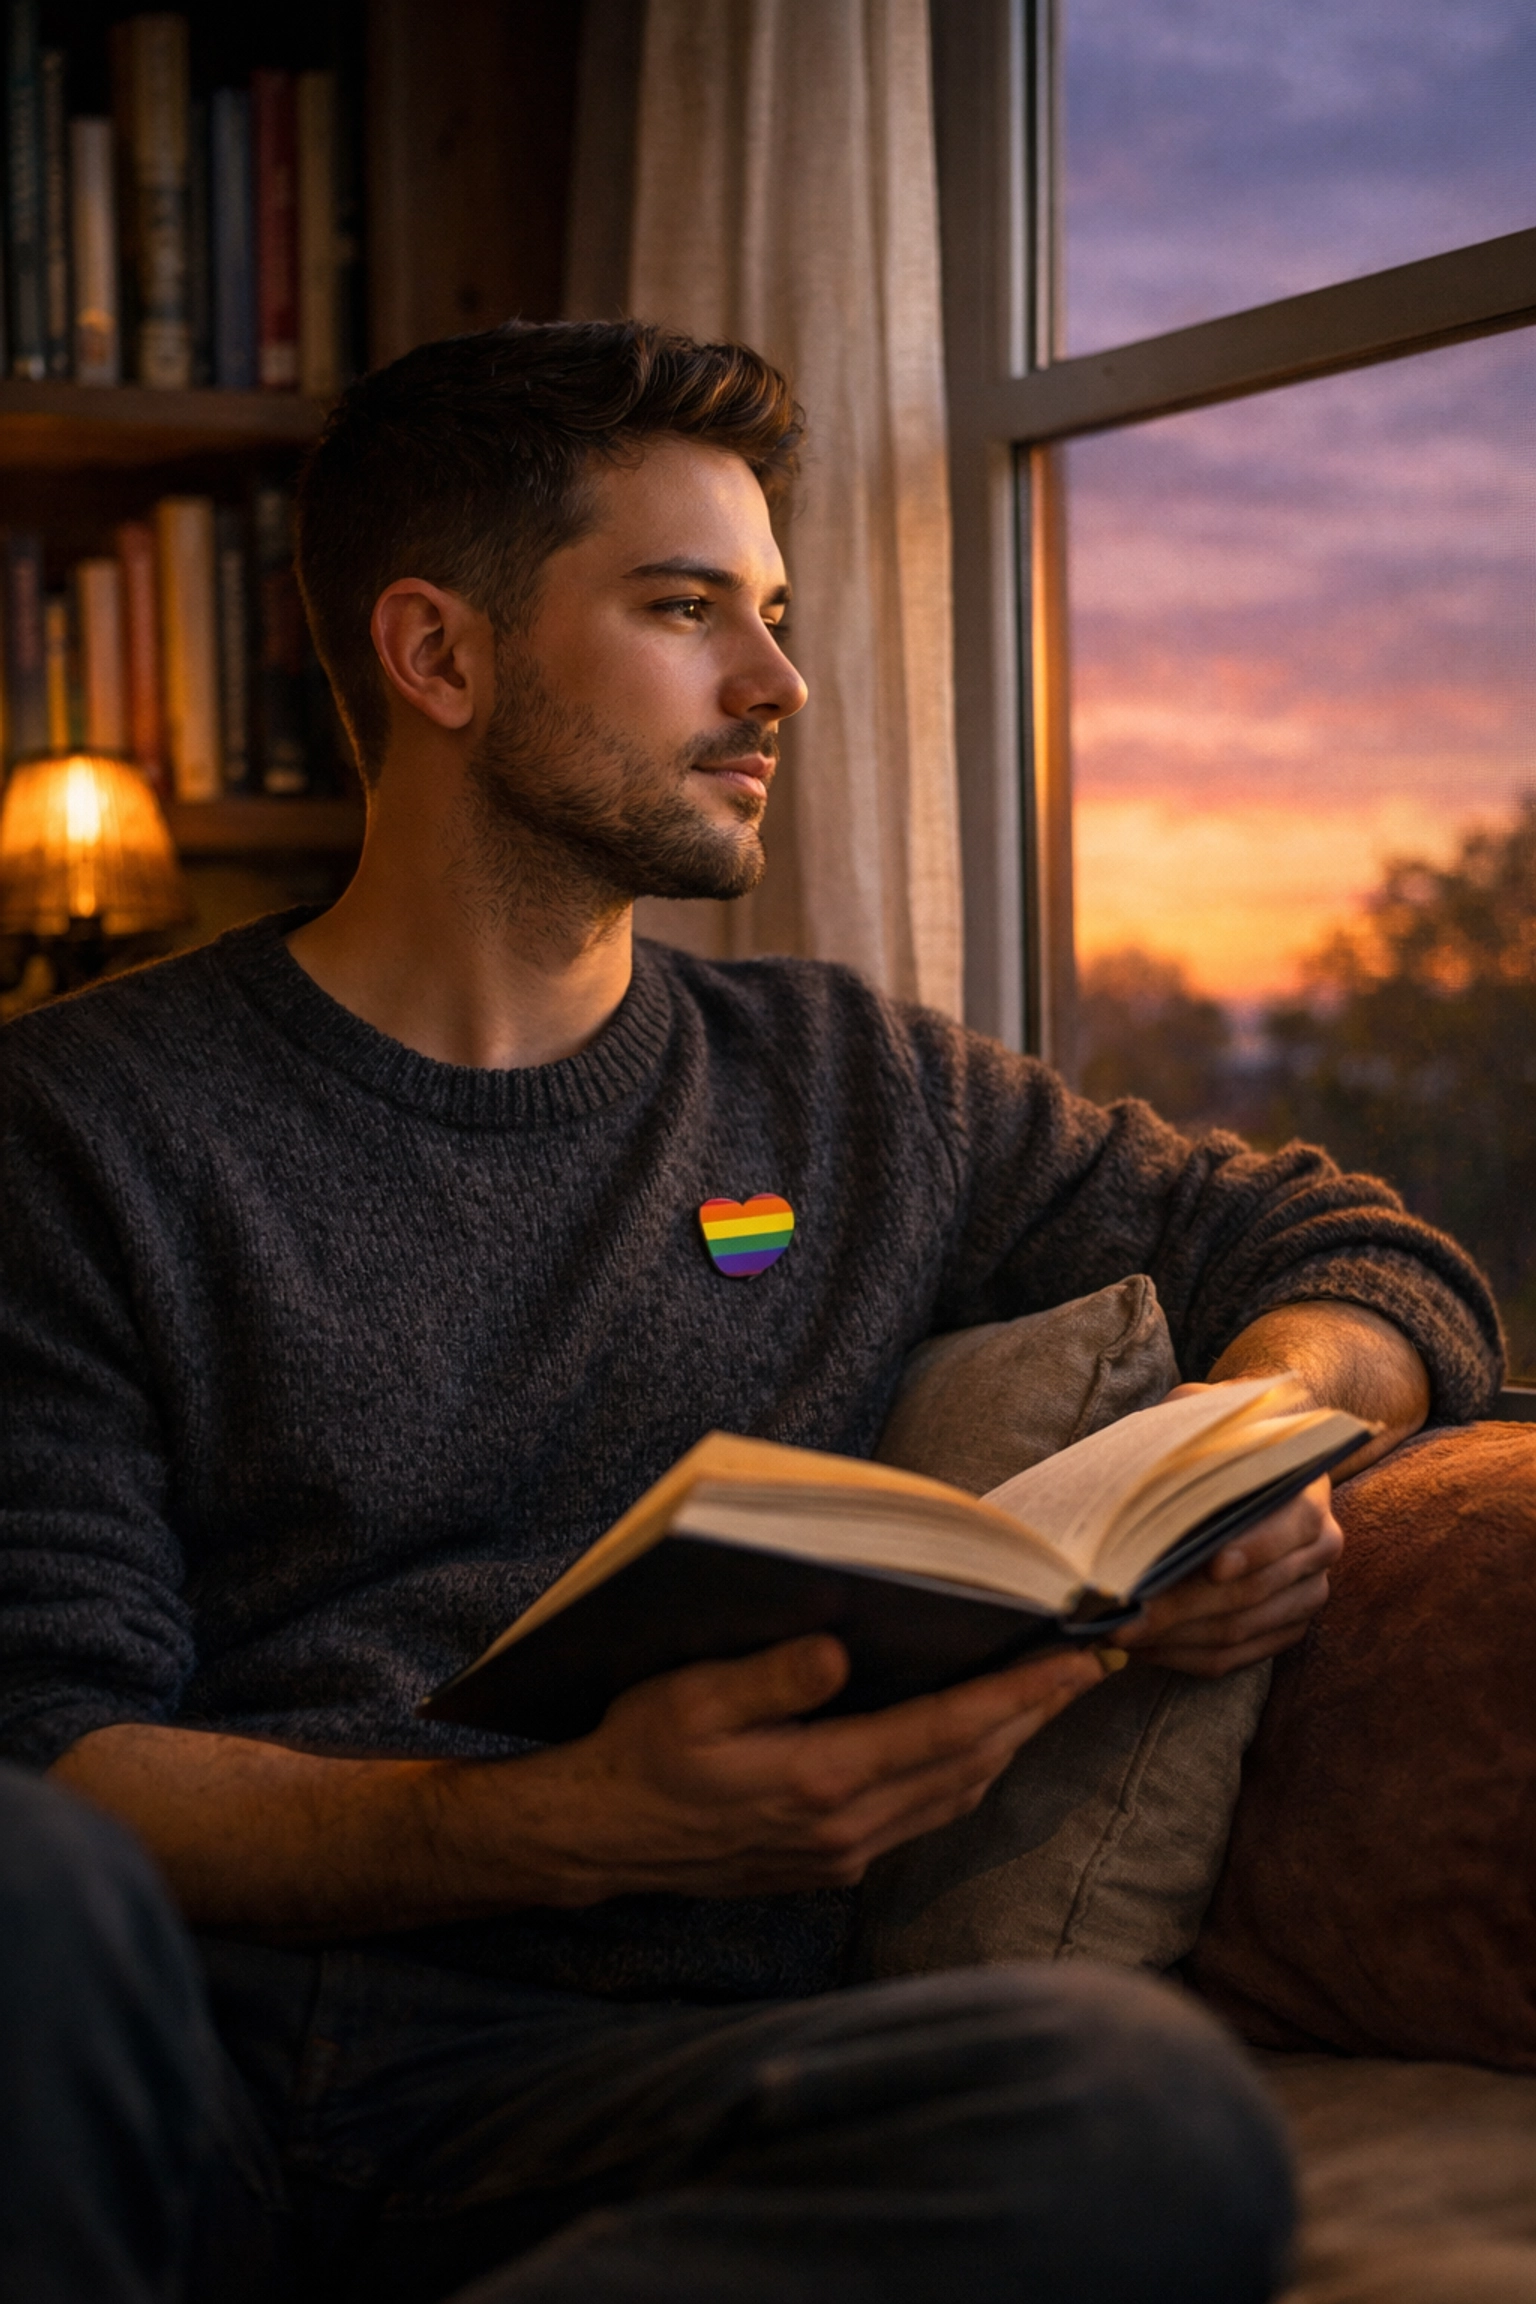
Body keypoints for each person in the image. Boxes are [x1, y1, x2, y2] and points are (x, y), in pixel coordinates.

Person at [0, 320, 1500, 2304]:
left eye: (774, 614)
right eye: (687, 608)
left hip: (618, 2093)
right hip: (157, 2054)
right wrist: (552, 1829)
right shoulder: (80, 1125)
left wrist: (1245, 1449)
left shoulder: (857, 1088)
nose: (777, 683)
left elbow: (1347, 1251)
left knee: (1134, 2111)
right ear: (439, 657)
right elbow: (58, 1750)